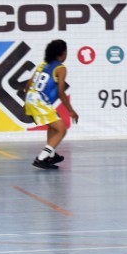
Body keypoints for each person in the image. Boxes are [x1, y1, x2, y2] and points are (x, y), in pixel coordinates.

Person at [24, 39, 79, 169]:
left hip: (32, 99)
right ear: (63, 53)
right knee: (62, 130)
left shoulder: (42, 65)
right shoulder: (61, 68)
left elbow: (28, 85)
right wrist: (71, 110)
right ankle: (41, 158)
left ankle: (51, 155)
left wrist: (28, 102)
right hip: (40, 102)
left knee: (53, 127)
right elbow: (61, 92)